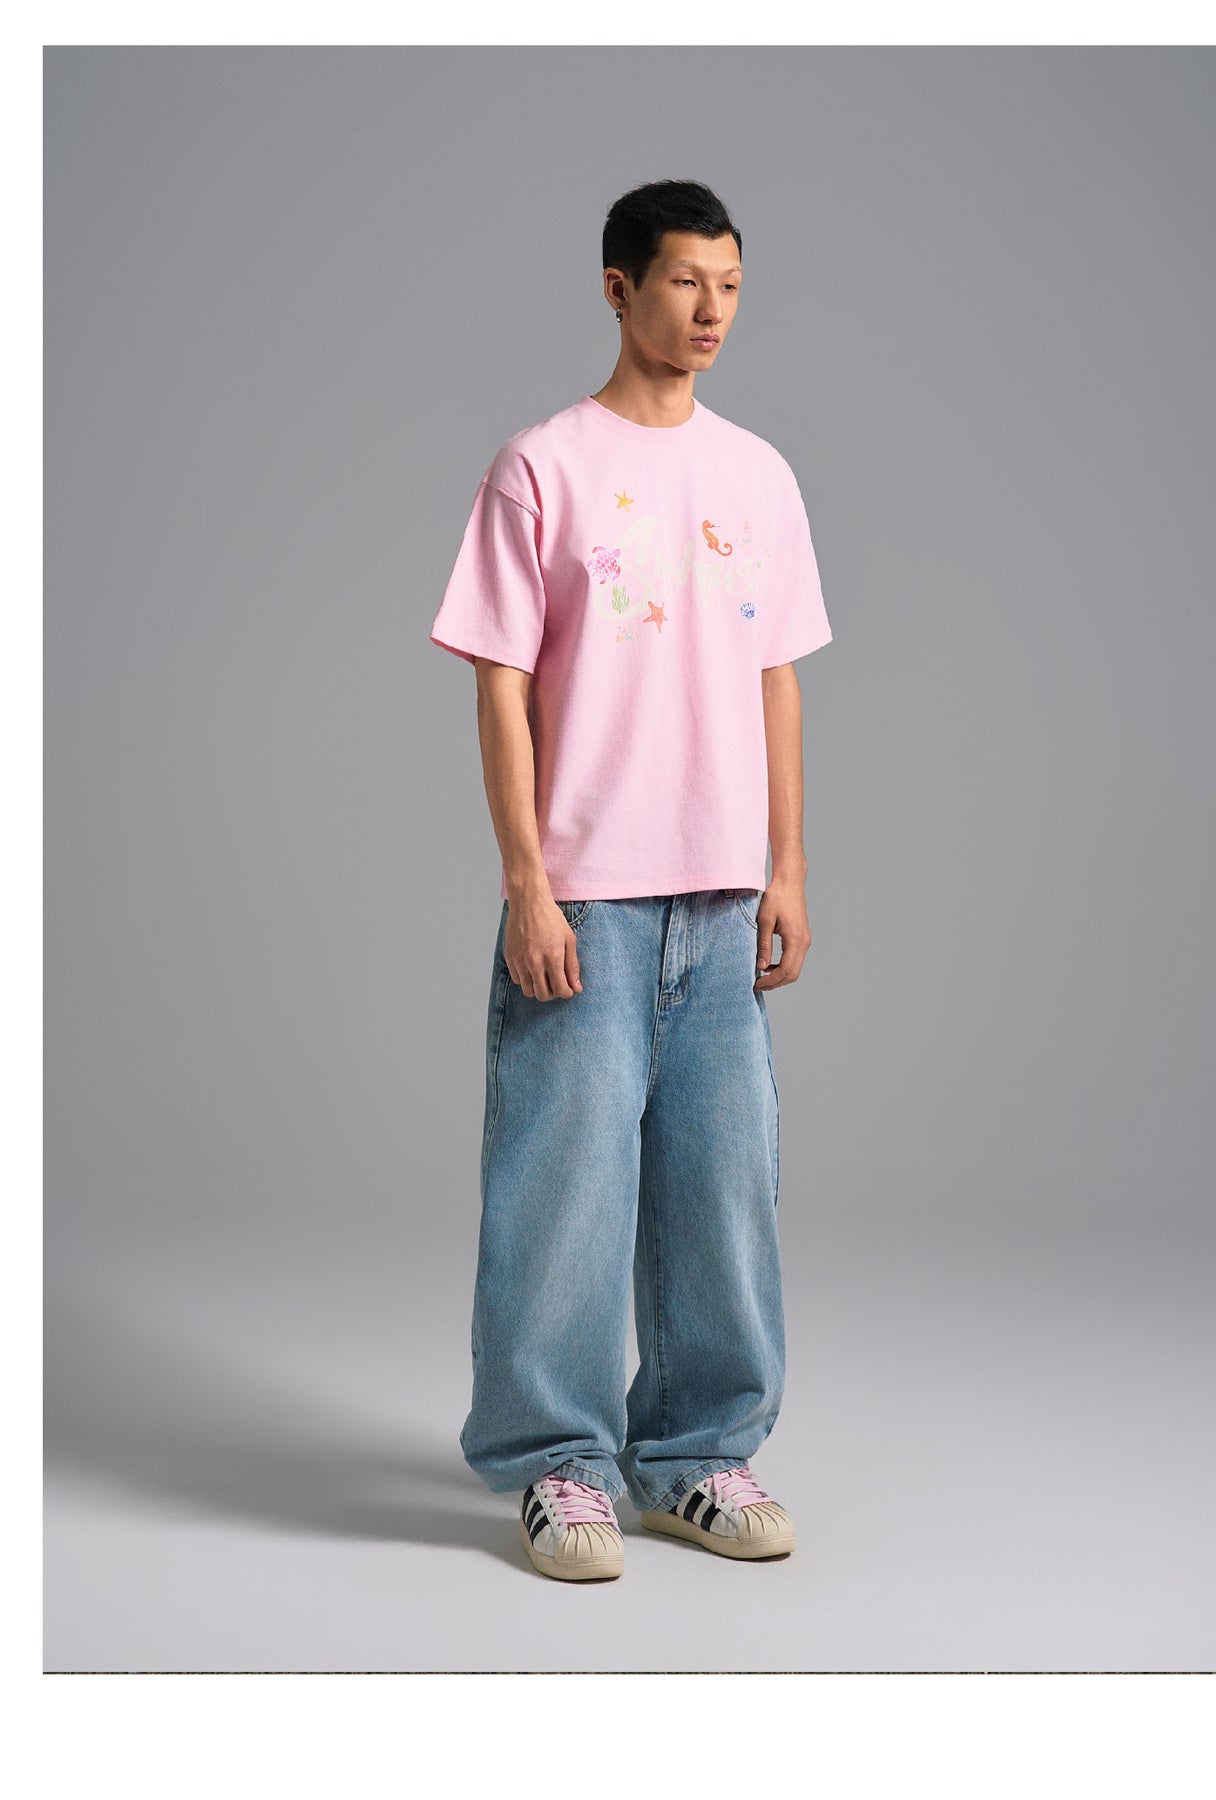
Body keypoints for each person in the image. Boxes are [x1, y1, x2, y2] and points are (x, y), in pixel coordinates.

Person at [428, 178, 833, 1581]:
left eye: (730, 285)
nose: (711, 310)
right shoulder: (540, 466)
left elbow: (777, 679)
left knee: (723, 1192)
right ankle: (558, 1464)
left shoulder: (760, 474)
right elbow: (499, 682)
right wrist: (526, 882)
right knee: (562, 1194)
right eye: (684, 282)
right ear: (618, 288)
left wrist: (788, 864)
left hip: (721, 898)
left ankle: (695, 1457)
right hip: (587, 897)